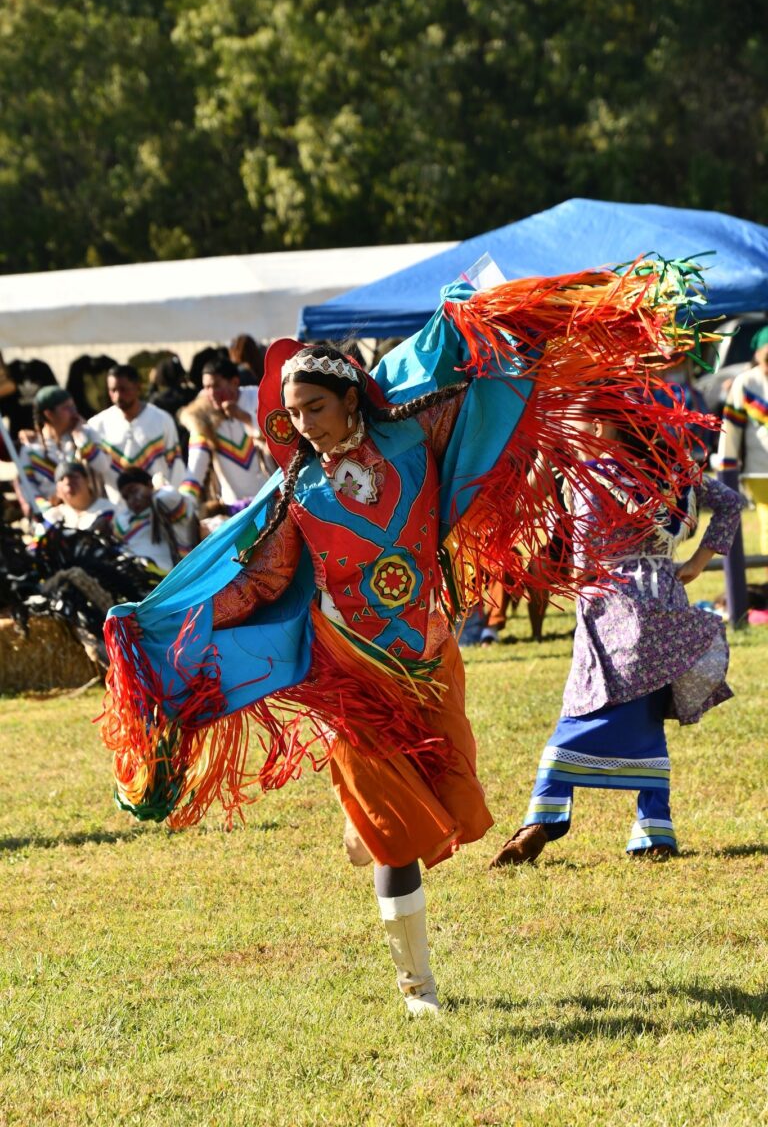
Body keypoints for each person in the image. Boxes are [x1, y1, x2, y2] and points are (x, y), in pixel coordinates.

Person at [99, 260, 714, 1015]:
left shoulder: (413, 442)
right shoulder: (300, 492)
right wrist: (174, 631)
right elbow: (260, 585)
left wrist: (494, 322)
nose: (305, 426)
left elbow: (483, 392)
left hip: (427, 662)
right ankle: (416, 986)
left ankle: (374, 832)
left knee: (440, 814)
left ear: (351, 398)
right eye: (293, 417)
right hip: (351, 679)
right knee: (394, 833)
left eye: (316, 408)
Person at [489, 409, 742, 869]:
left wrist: (544, 452)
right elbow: (730, 503)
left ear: (601, 427)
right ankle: (653, 828)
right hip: (661, 605)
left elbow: (527, 495)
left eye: (573, 425)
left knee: (583, 708)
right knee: (644, 717)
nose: (568, 434)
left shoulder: (591, 473)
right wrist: (697, 563)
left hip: (613, 610)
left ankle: (541, 820)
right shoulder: (671, 472)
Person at [179, 354, 275, 522]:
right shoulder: (203, 414)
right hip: (233, 511)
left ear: (235, 382)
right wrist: (184, 500)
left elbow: (277, 437)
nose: (210, 393)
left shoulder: (258, 398)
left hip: (272, 501)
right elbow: (196, 465)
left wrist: (245, 417)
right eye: (206, 387)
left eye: (216, 386)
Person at [86, 364, 186, 504]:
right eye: (113, 390)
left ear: (138, 387)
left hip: (158, 505)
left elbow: (175, 463)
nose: (118, 395)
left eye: (123, 389)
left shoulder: (161, 419)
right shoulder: (97, 425)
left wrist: (174, 499)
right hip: (120, 508)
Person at [715, 325, 768, 556]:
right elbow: (731, 428)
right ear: (757, 354)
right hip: (760, 472)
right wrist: (727, 468)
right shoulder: (746, 383)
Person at [16, 386, 103, 516]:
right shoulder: (31, 449)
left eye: (73, 406)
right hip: (54, 518)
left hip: (91, 512)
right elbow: (28, 489)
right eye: (66, 408)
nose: (74, 412)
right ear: (49, 414)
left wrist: (81, 435)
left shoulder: (82, 437)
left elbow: (102, 467)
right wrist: (48, 511)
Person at [112, 467, 198, 578]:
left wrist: (158, 487)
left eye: (134, 491)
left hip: (180, 576)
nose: (132, 499)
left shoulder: (164, 505)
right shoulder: (127, 522)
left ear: (149, 485)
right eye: (126, 497)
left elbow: (168, 495)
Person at [37, 460, 114, 534]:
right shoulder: (52, 517)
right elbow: (36, 544)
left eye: (73, 477)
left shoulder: (108, 510)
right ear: (57, 490)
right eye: (61, 479)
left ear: (87, 481)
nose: (67, 482)